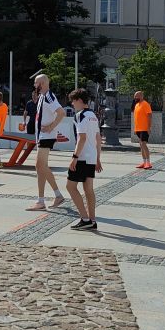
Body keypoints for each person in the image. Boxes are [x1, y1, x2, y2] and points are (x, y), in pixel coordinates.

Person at [63, 88, 103, 231]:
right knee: (88, 190)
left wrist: (74, 157)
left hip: (82, 157)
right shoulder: (93, 115)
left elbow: (82, 138)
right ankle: (92, 220)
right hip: (91, 157)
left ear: (80, 100)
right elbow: (98, 138)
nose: (72, 104)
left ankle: (85, 219)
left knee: (70, 187)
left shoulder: (80, 116)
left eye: (73, 101)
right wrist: (97, 158)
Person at [26, 73, 66, 211]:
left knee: (40, 166)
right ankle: (49, 198)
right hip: (42, 136)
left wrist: (50, 127)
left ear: (42, 83)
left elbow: (61, 113)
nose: (34, 85)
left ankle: (46, 199)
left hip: (46, 136)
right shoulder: (43, 96)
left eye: (36, 83)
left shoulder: (49, 96)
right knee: (41, 167)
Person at [132, 89, 153, 170]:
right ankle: (144, 162)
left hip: (144, 128)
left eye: (136, 96)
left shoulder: (145, 104)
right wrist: (135, 128)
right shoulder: (137, 105)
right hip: (138, 129)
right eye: (134, 96)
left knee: (143, 144)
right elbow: (136, 117)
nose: (135, 98)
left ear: (141, 96)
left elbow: (150, 116)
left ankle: (148, 162)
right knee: (141, 145)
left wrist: (149, 127)